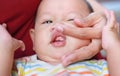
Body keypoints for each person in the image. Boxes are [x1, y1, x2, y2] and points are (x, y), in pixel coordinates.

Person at [0, 0, 120, 76]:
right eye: (47, 21)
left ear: (91, 33)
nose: (57, 26)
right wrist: (4, 50)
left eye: (71, 19)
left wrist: (112, 45)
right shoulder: (21, 67)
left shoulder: (102, 66)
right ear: (33, 39)